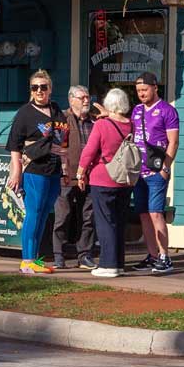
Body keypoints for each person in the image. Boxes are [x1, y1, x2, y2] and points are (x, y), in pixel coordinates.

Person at [4, 70, 68, 275]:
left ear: (50, 88)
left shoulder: (56, 109)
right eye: (35, 87)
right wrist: (16, 172)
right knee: (34, 212)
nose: (39, 91)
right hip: (34, 167)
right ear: (31, 90)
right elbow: (14, 145)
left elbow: (62, 135)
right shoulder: (25, 113)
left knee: (44, 213)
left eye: (43, 87)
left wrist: (64, 156)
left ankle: (36, 258)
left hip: (54, 167)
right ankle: (26, 260)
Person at [78, 87, 136, 278]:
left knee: (105, 222)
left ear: (109, 105)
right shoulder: (131, 125)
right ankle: (119, 263)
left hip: (103, 177)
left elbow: (90, 150)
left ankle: (108, 264)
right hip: (125, 179)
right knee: (119, 222)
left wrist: (80, 172)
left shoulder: (102, 125)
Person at [130, 71, 181, 274]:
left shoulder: (167, 111)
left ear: (155, 88)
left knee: (156, 212)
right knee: (143, 214)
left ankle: (164, 255)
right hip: (138, 171)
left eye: (145, 90)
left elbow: (173, 141)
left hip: (156, 170)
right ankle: (152, 255)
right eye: (138, 91)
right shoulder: (136, 111)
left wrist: (165, 167)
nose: (142, 94)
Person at [54, 85, 98, 269]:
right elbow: (57, 148)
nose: (86, 101)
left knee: (88, 216)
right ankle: (58, 254)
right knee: (63, 216)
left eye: (88, 97)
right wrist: (64, 171)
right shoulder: (62, 119)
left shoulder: (95, 121)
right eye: (82, 98)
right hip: (67, 176)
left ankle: (85, 255)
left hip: (90, 176)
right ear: (72, 100)